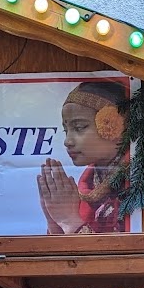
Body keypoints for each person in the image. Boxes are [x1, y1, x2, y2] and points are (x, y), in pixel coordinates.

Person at [37, 80, 128, 234]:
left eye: (79, 128)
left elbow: (120, 256)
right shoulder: (88, 185)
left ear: (114, 125)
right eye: (66, 131)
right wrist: (56, 221)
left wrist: (69, 221)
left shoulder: (138, 179)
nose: (67, 141)